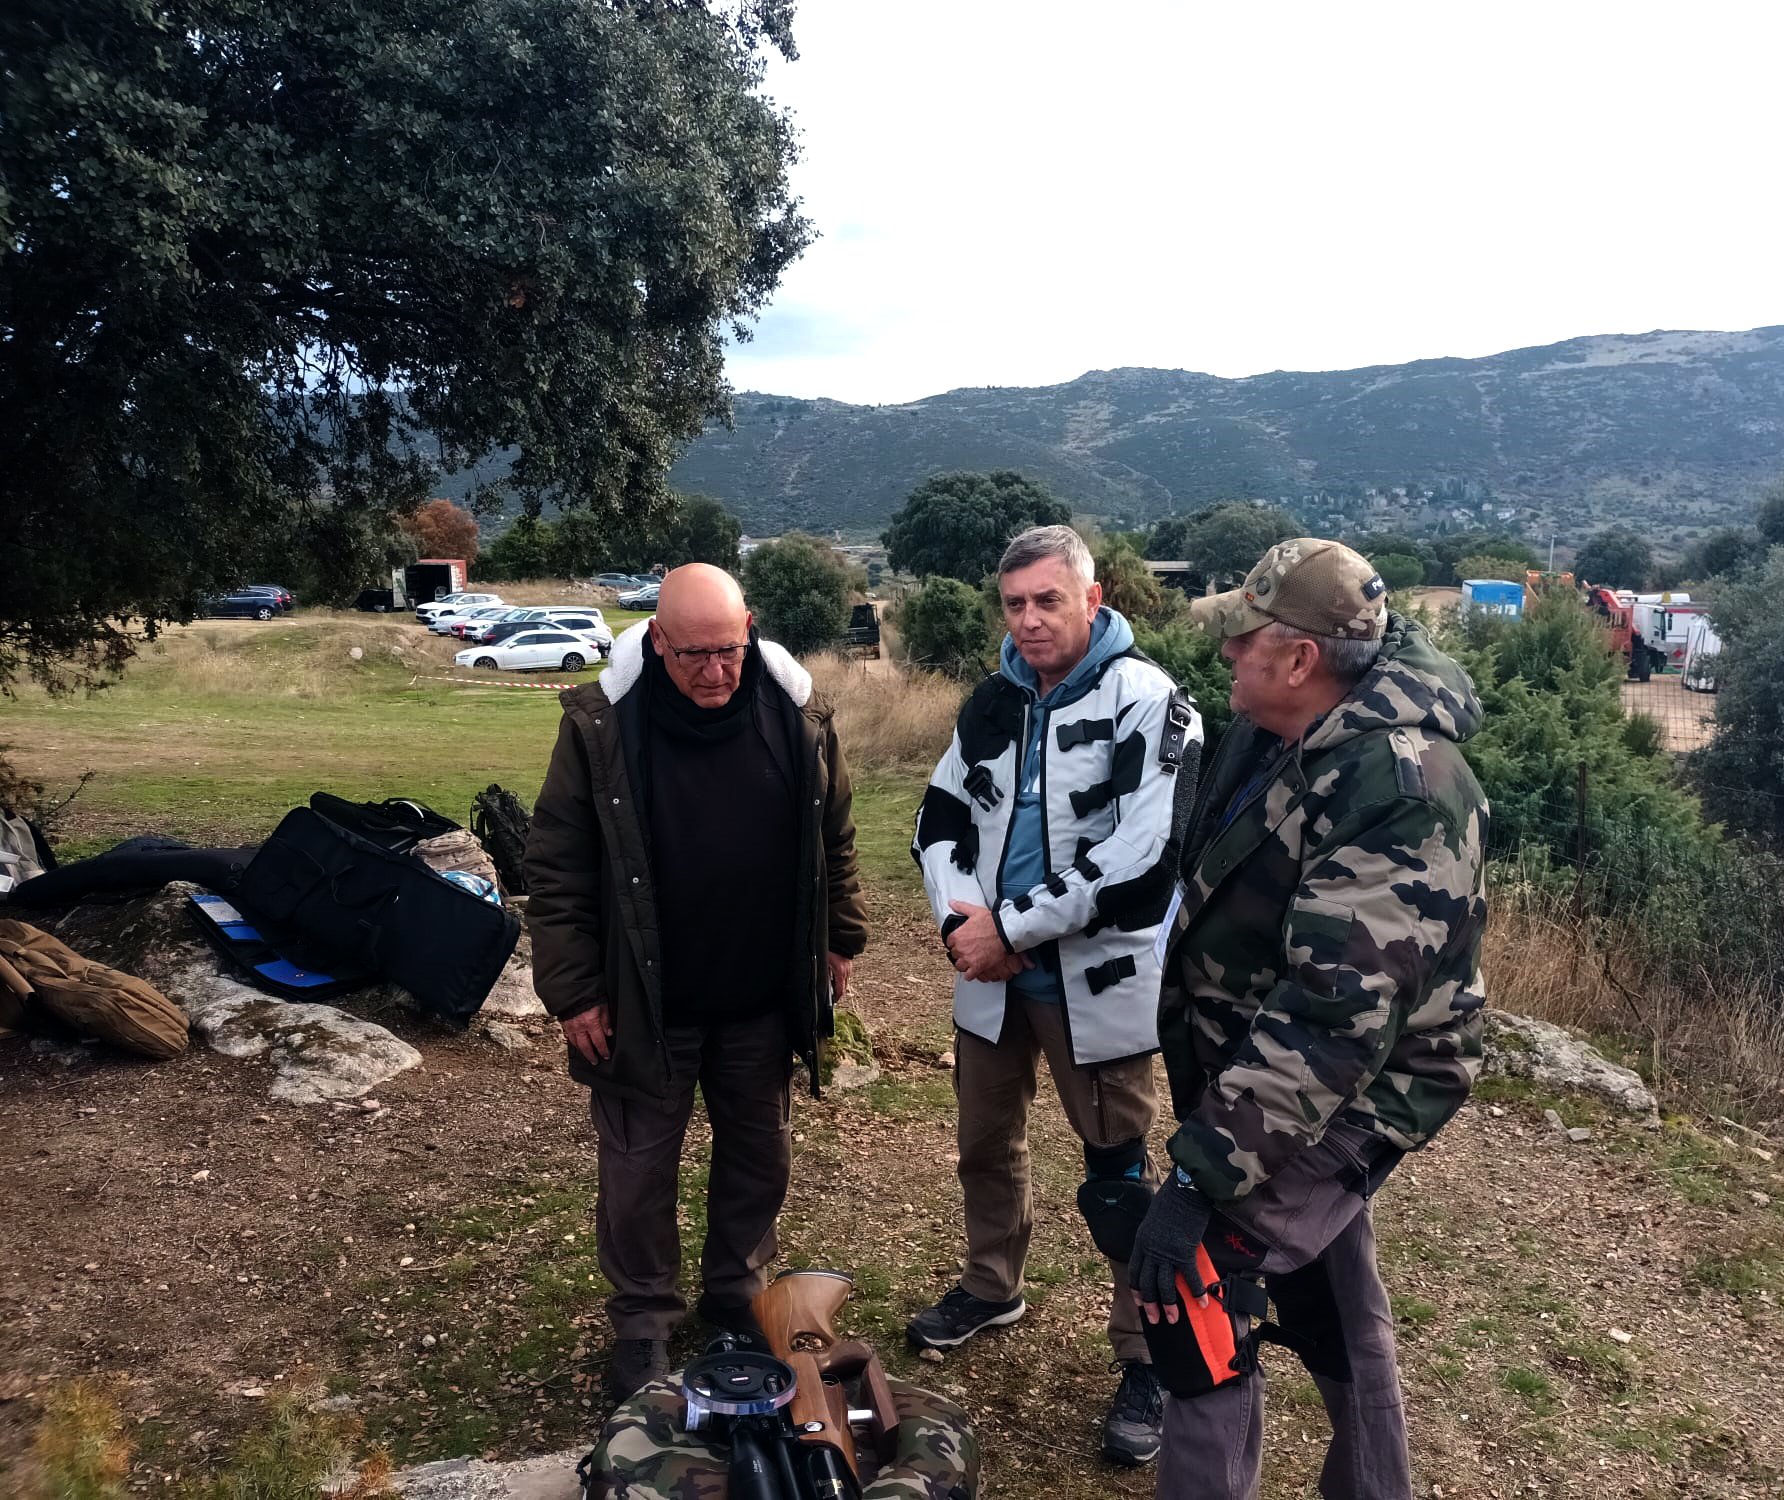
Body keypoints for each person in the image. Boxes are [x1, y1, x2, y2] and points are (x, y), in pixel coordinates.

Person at [1131, 539, 1488, 1500]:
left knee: (1191, 1286)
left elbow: (1335, 1020)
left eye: (1242, 639)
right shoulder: (1287, 736)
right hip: (1276, 1081)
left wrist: (1199, 1179)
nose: (1225, 653)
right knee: (1330, 1291)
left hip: (1349, 1090)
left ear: (1299, 657)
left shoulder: (1401, 787)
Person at [522, 563, 867, 1401]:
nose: (714, 672)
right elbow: (558, 864)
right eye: (692, 656)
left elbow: (835, 835)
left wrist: (840, 937)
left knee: (758, 1156)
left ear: (749, 629)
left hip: (760, 998)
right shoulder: (604, 726)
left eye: (728, 651)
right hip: (644, 1001)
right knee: (637, 1172)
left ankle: (735, 1292)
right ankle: (643, 1321)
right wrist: (574, 990)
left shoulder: (797, 715)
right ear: (656, 640)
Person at [908, 524, 1202, 1467]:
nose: (1030, 620)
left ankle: (1147, 1354)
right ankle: (992, 1285)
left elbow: (1144, 859)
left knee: (1118, 1178)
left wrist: (1012, 928)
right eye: (1014, 604)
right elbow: (939, 817)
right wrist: (961, 923)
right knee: (984, 1146)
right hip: (992, 981)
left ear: (1092, 597)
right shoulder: (993, 700)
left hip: (1095, 983)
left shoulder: (1149, 702)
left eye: (1048, 600)